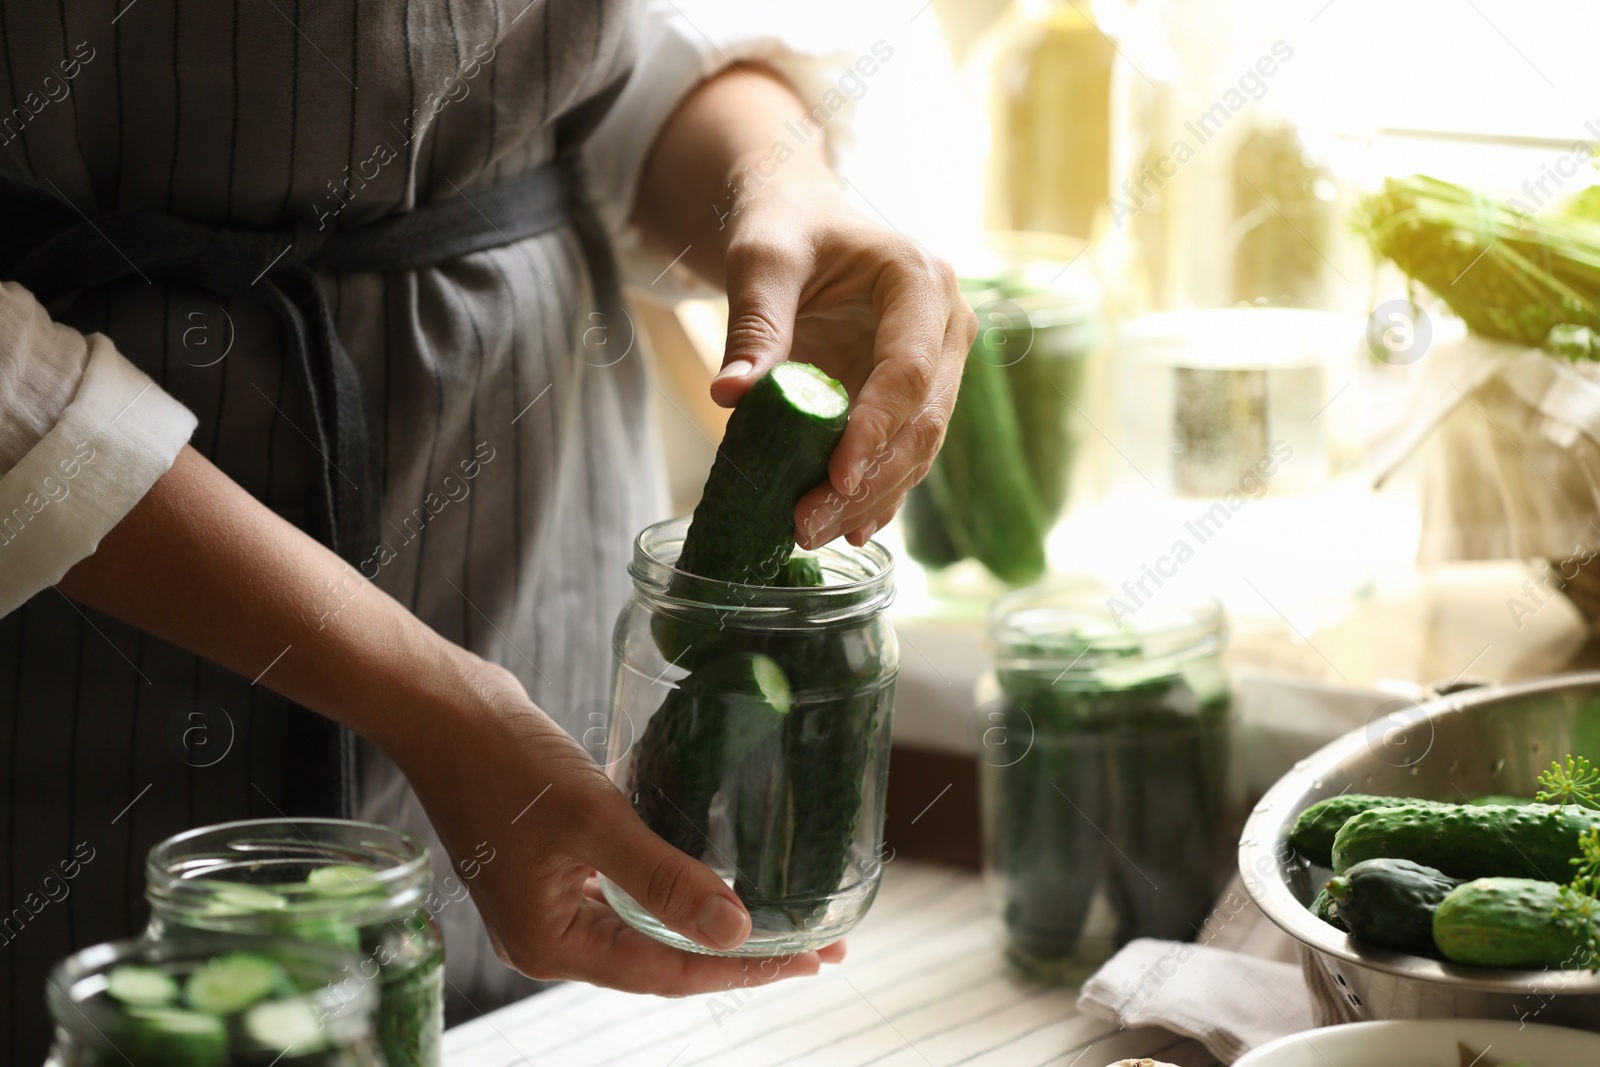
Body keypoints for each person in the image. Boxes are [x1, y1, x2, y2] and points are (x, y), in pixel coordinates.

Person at [0, 2, 973, 1059]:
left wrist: (778, 182)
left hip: (531, 524)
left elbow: (605, 53)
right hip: (88, 616)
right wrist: (435, 704)